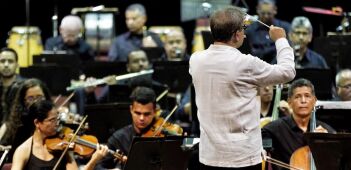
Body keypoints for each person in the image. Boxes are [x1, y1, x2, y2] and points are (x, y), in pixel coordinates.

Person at [189, 6, 295, 169]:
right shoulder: (246, 64)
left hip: (209, 156)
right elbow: (287, 72)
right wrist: (281, 40)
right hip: (242, 157)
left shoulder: (195, 60)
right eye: (243, 29)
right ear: (237, 34)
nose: (245, 34)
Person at [262, 78, 336, 170]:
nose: (303, 100)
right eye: (297, 97)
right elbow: (260, 142)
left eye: (307, 96)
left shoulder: (326, 130)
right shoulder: (276, 128)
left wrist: (327, 143)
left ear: (314, 101)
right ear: (289, 102)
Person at [11, 99, 108, 170]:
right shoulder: (23, 150)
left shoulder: (63, 145)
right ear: (37, 123)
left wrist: (93, 160)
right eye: (52, 120)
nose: (57, 124)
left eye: (57, 119)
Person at [95, 87, 165, 169]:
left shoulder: (164, 136)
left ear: (155, 112)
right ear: (131, 109)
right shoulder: (118, 138)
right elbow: (99, 166)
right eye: (137, 113)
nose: (141, 118)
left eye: (147, 114)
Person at [1, 78, 52, 159]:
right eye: (30, 98)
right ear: (23, 101)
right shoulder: (17, 125)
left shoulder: (53, 120)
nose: (36, 102)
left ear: (46, 97)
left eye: (39, 97)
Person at [0, 48, 24, 123]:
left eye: (10, 61)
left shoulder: (25, 87)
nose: (6, 65)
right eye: (2, 61)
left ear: (17, 65)